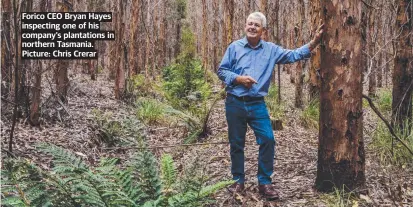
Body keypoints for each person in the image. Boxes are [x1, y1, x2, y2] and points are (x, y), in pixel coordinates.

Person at [217, 12, 323, 200]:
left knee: (267, 139)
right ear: (245, 26)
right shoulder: (234, 48)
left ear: (263, 30)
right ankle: (238, 181)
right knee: (236, 144)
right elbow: (222, 71)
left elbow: (293, 55)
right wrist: (238, 79)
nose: (252, 27)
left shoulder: (271, 50)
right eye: (249, 23)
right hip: (234, 103)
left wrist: (314, 42)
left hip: (257, 104)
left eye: (256, 25)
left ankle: (264, 182)